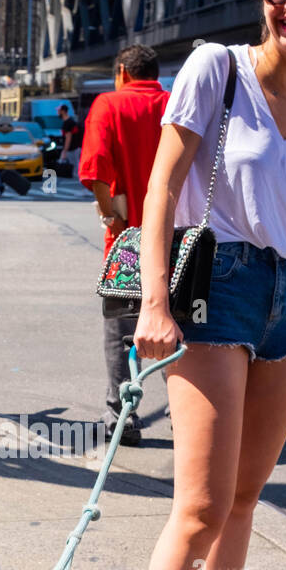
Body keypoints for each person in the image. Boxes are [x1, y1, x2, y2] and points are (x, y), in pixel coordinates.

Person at [134, 0, 286, 570]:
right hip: (214, 288)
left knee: (245, 503)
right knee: (202, 508)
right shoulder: (216, 69)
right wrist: (154, 303)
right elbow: (161, 187)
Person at [79, 44, 169, 446]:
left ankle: (122, 418)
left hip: (128, 241)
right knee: (179, 328)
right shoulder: (175, 104)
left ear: (122, 72)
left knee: (121, 332)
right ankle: (189, 419)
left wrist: (109, 215)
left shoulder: (109, 105)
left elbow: (95, 171)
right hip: (178, 239)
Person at [58, 103, 82, 176]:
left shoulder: (68, 123)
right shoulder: (70, 121)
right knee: (75, 167)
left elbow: (68, 137)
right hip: (75, 148)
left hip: (72, 149)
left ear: (63, 111)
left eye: (59, 110)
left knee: (75, 168)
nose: (58, 112)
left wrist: (65, 151)